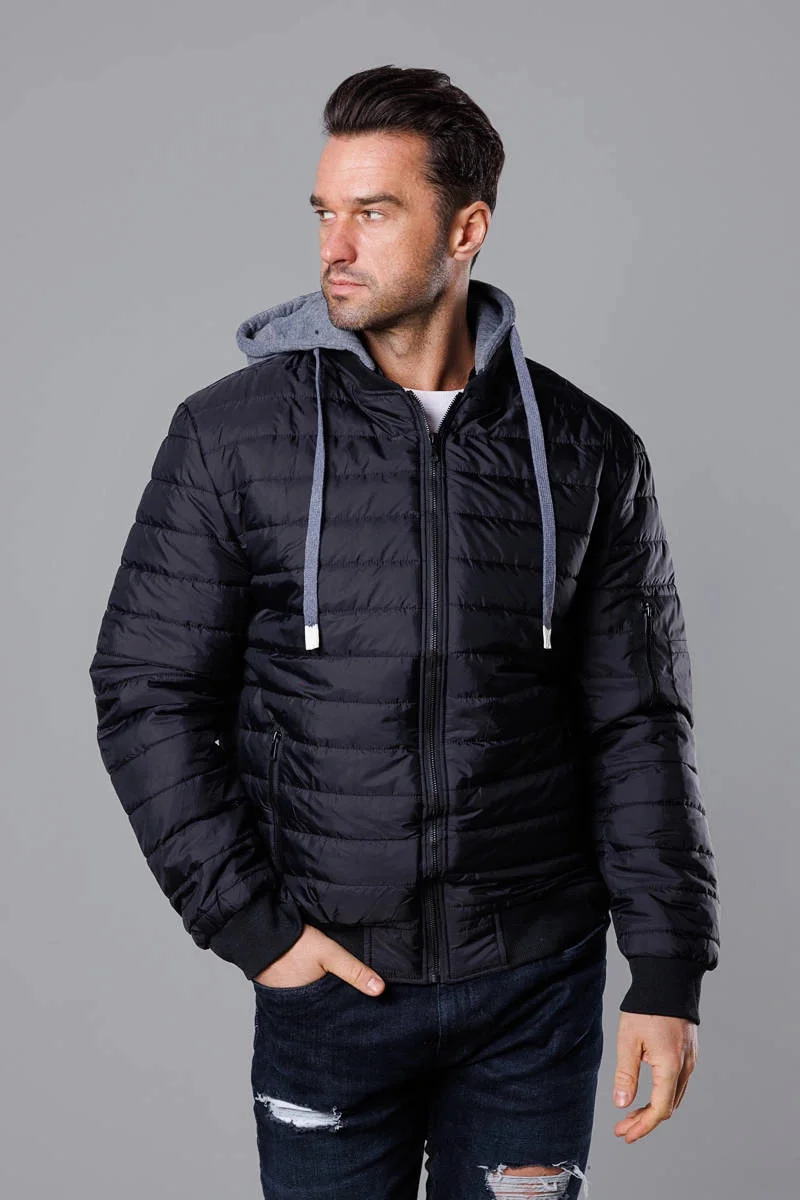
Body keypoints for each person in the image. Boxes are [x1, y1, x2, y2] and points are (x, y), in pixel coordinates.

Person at [89, 64, 720, 1199]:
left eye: (373, 213)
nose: (334, 246)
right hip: (331, 983)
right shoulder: (231, 437)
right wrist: (254, 930)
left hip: (534, 986)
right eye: (324, 212)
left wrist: (665, 971)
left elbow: (637, 722)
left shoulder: (587, 450)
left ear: (465, 228)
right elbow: (147, 692)